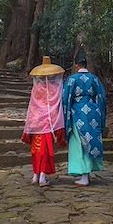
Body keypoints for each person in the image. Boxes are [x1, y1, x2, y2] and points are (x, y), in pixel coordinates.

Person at [21, 56, 66, 187]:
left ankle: (36, 175)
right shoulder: (55, 89)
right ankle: (41, 176)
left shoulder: (37, 89)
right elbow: (56, 106)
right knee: (45, 151)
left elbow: (33, 107)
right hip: (50, 124)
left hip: (36, 124)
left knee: (36, 150)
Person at [62, 54, 107, 187]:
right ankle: (87, 172)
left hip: (77, 112)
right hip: (93, 112)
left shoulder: (71, 79)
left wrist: (66, 114)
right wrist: (100, 113)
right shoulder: (95, 79)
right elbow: (102, 97)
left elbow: (65, 99)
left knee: (79, 142)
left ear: (76, 65)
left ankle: (84, 175)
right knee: (90, 139)